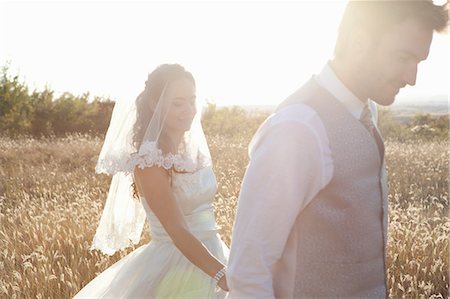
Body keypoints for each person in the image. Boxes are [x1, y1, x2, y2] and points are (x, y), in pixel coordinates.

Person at [227, 1, 448, 298]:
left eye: (419, 62)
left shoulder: (366, 109)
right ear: (358, 42)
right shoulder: (299, 128)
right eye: (403, 57)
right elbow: (247, 274)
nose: (412, 78)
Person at [74, 64, 229, 298]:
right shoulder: (149, 162)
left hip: (214, 252)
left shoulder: (191, 154)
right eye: (178, 103)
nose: (188, 109)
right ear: (155, 104)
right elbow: (177, 230)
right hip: (177, 265)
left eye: (192, 100)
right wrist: (223, 275)